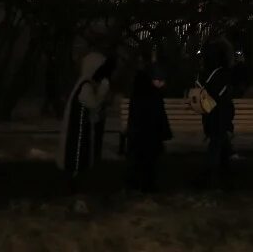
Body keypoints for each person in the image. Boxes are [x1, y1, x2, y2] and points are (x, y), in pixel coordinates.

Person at [58, 52, 114, 192]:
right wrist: (103, 90)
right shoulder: (86, 86)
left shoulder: (84, 83)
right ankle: (74, 183)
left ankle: (75, 180)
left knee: (79, 153)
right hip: (78, 128)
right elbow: (93, 104)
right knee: (77, 153)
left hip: (80, 126)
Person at [124, 64, 172, 192]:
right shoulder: (151, 94)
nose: (163, 84)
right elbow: (157, 116)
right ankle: (145, 185)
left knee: (139, 161)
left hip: (140, 134)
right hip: (148, 135)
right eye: (161, 81)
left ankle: (136, 184)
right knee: (147, 162)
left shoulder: (142, 91)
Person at [195, 44, 234, 190]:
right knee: (217, 144)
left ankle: (223, 172)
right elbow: (223, 100)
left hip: (211, 114)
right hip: (219, 115)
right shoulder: (221, 74)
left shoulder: (204, 73)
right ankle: (209, 177)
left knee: (220, 142)